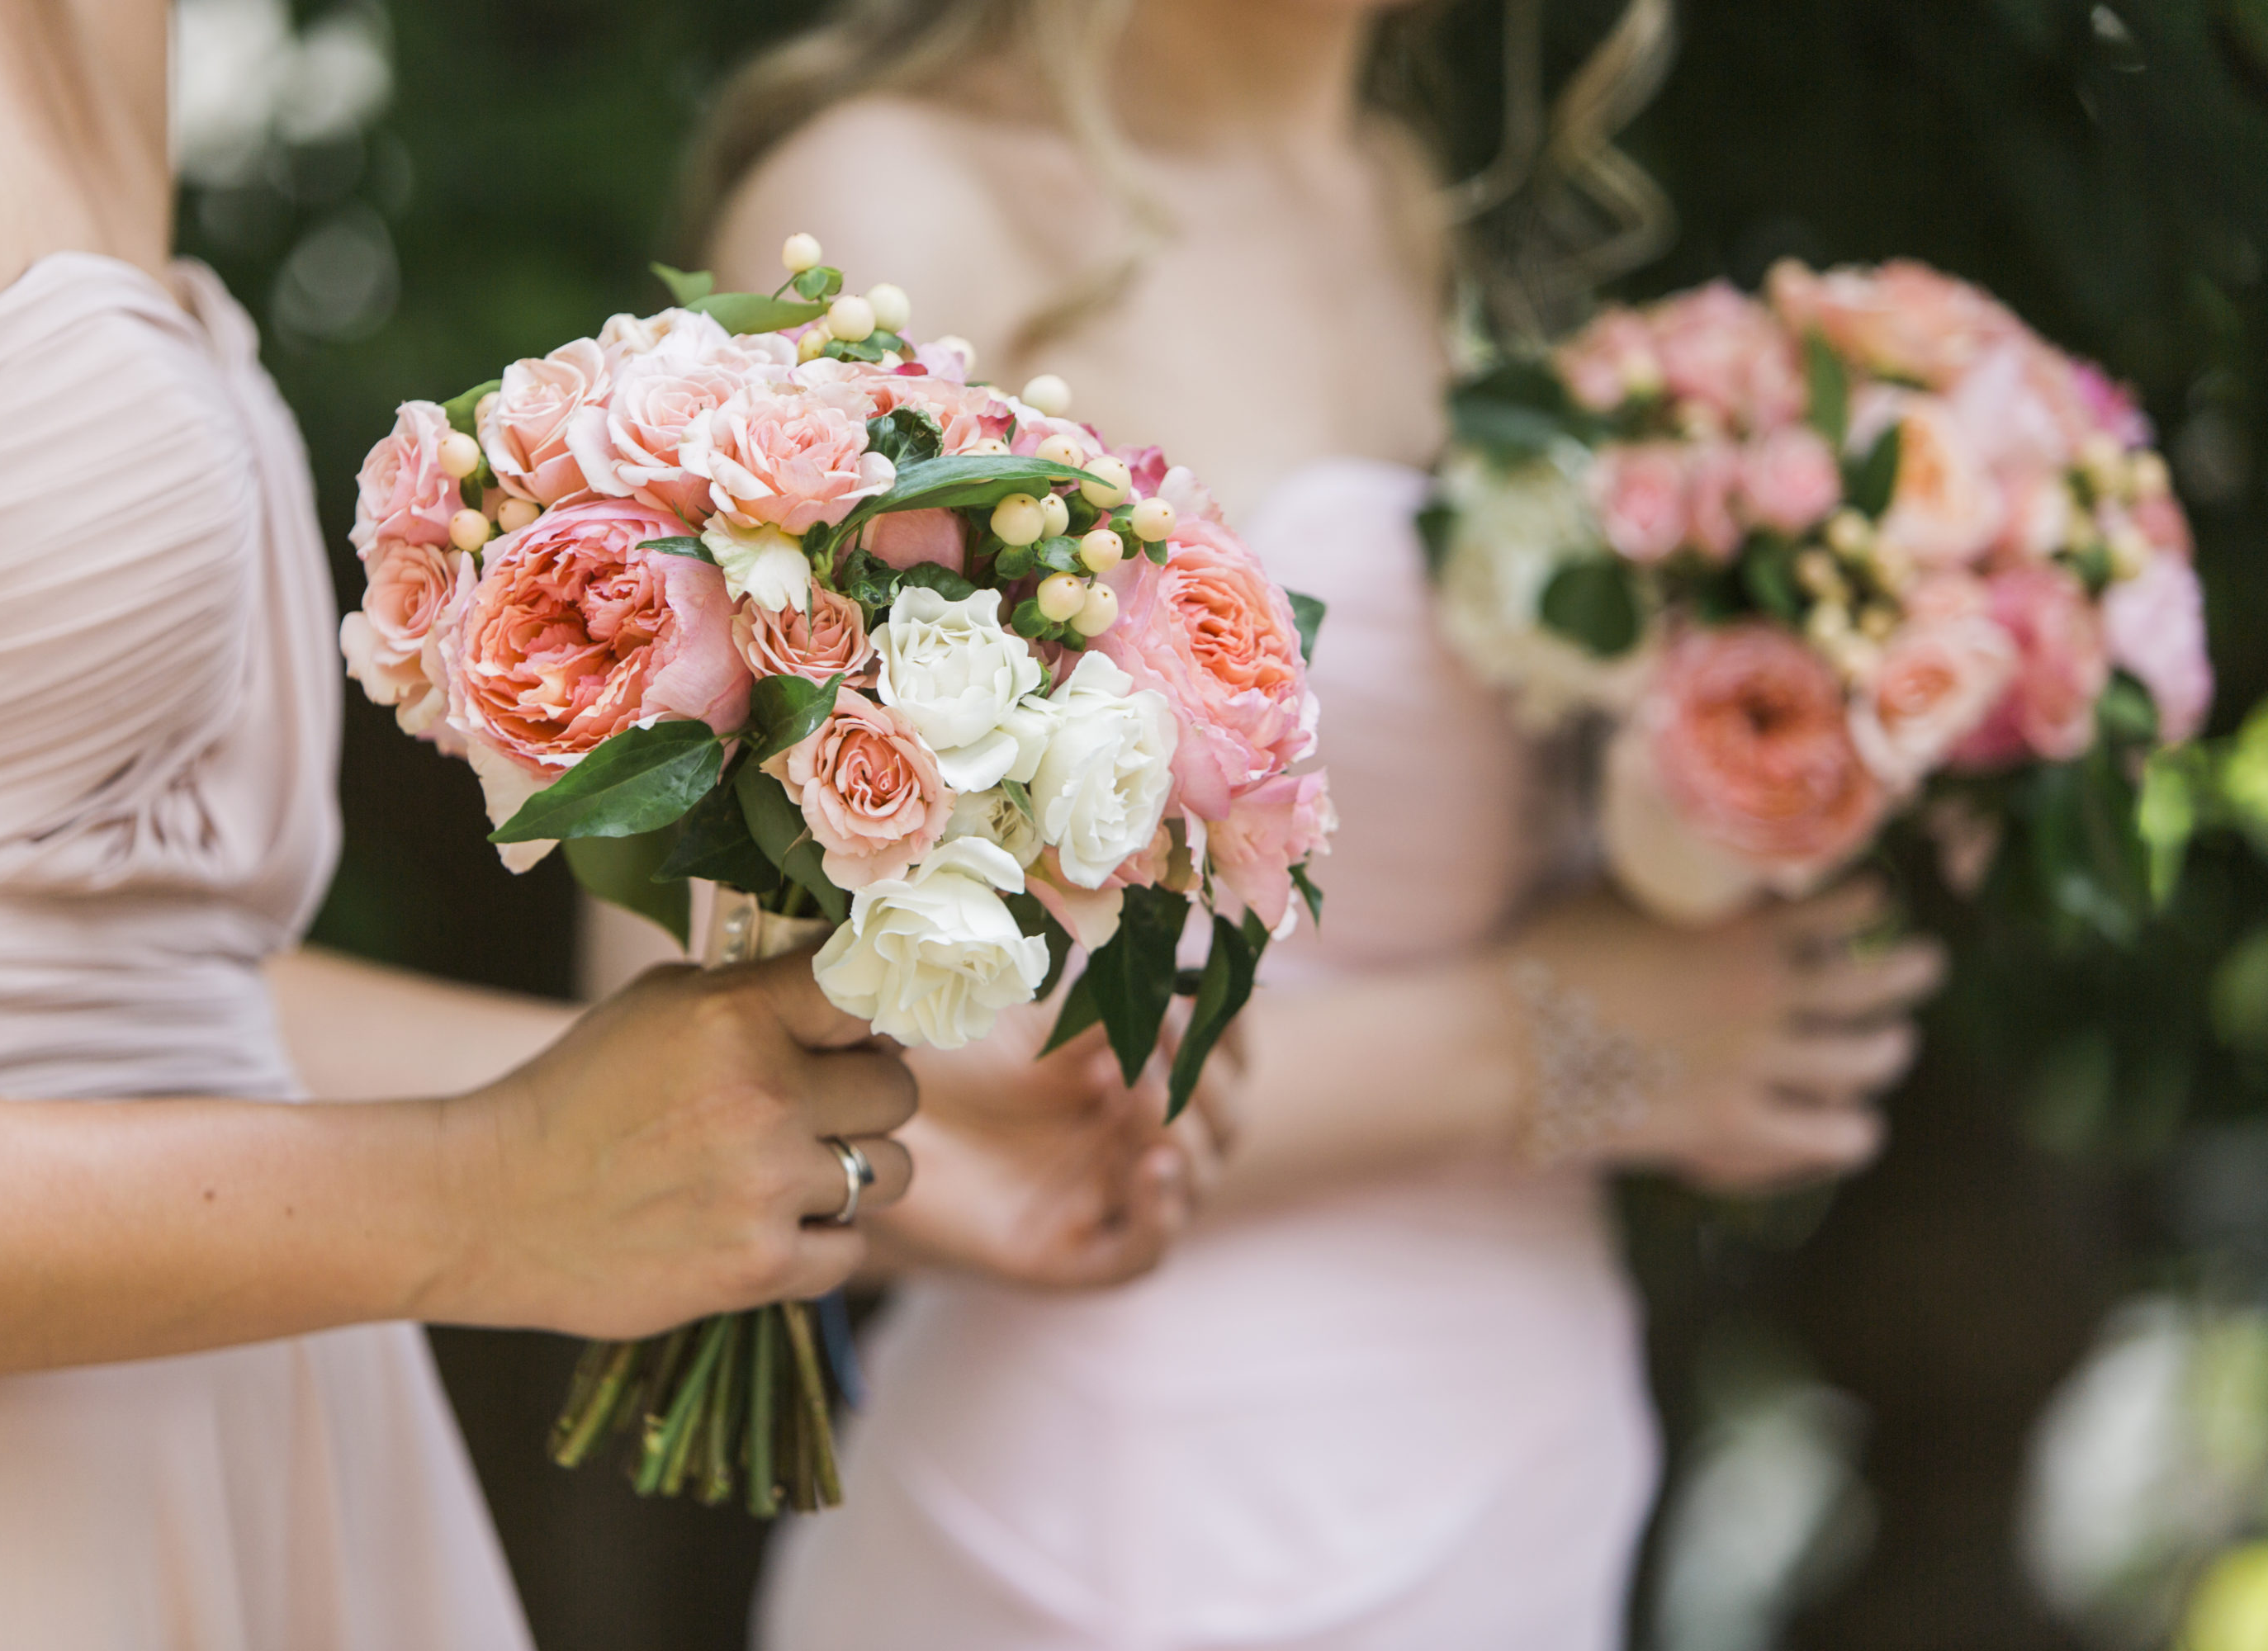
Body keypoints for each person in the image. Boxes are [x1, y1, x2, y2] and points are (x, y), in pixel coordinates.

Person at [698, 1, 1947, 1644]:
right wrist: (1547, 1046)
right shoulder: (895, 206)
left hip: (1522, 1455)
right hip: (1136, 1509)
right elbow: (713, 1072)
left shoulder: (1419, 201)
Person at [0, 5, 932, 1645]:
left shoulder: (102, 35)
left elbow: (102, 993)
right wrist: (484, 1197)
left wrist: (802, 1137)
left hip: (214, 1439)